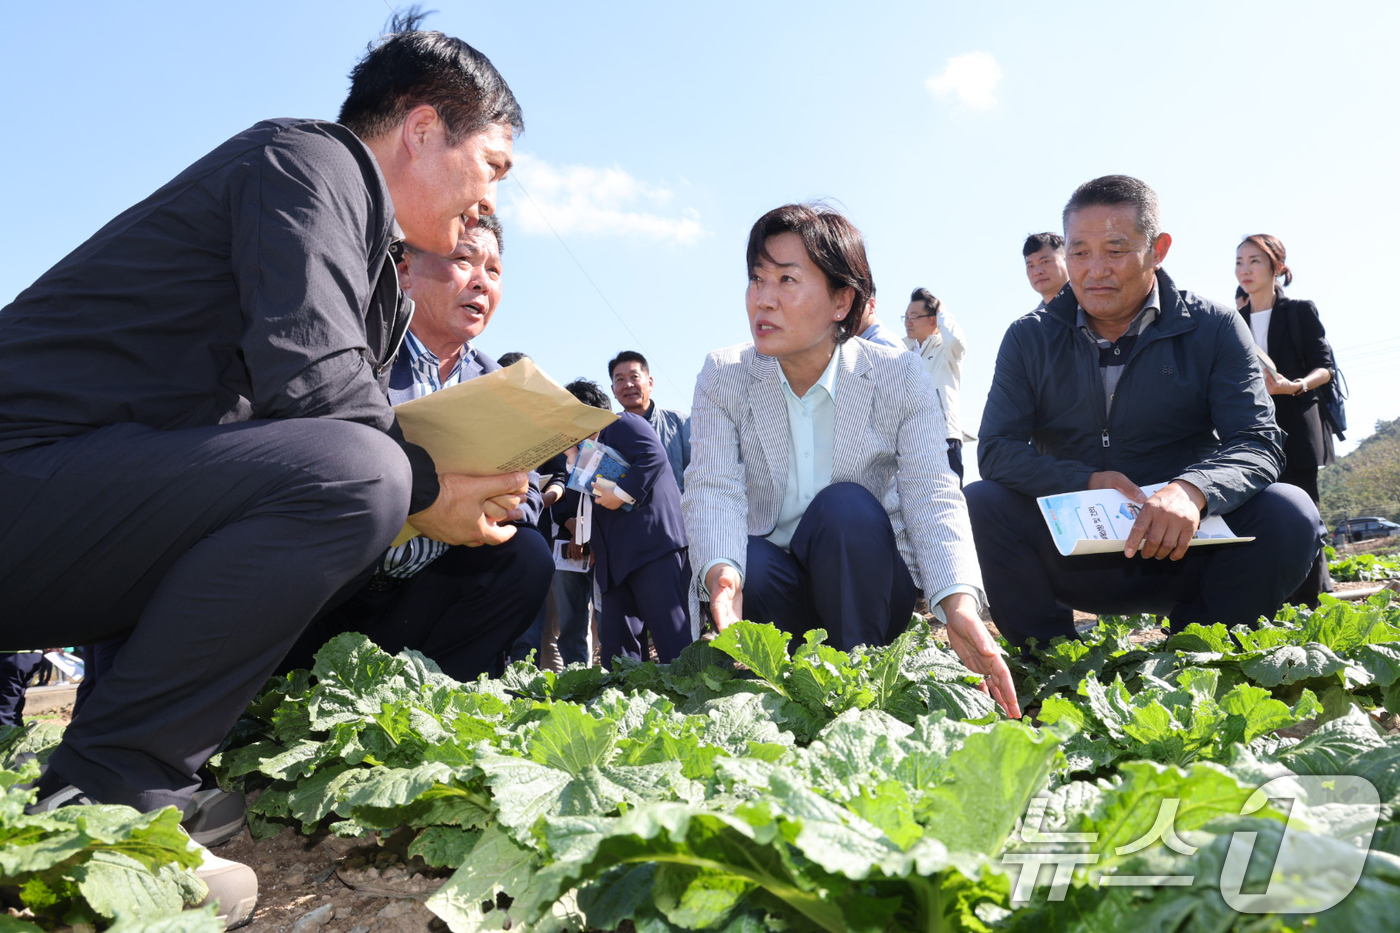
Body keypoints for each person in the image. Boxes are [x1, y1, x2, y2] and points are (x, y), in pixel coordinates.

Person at [0, 14, 525, 924]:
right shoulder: (309, 162)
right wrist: (429, 490)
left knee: (358, 472)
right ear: (424, 128)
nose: (487, 203)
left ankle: (129, 763)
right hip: (24, 478)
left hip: (66, 505)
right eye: (492, 167)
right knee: (359, 473)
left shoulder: (370, 260)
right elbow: (318, 388)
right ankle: (110, 787)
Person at [683, 203, 1019, 719]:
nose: (763, 299)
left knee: (845, 507)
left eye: (787, 279)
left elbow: (932, 493)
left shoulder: (897, 375)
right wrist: (722, 579)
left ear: (842, 300)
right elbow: (713, 485)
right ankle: (783, 685)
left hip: (866, 585)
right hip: (774, 594)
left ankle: (860, 686)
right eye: (756, 279)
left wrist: (959, 606)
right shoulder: (724, 376)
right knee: (752, 558)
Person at [968, 175, 1323, 648]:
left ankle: (1200, 645)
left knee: (1291, 511)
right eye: (1079, 252)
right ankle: (1047, 659)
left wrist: (1193, 490)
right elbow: (996, 450)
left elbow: (1256, 441)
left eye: (1115, 250)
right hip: (1075, 555)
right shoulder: (1028, 338)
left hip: (1186, 550)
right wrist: (1088, 480)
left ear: (1158, 249)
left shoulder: (1214, 327)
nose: (1095, 270)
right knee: (982, 501)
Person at [282, 215, 554, 681]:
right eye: (463, 260)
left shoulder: (502, 386)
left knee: (526, 556)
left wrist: (507, 500)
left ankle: (434, 699)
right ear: (406, 271)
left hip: (424, 589)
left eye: (494, 271)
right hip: (330, 581)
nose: (480, 283)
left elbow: (527, 493)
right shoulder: (357, 352)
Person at [1236, 233, 1336, 605]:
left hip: (1297, 422)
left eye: (1254, 261)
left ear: (1277, 267)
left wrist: (1296, 386)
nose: (1244, 269)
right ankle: (1276, 599)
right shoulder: (1233, 321)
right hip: (1252, 432)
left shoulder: (1299, 311)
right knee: (1264, 515)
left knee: (1305, 513)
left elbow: (1324, 368)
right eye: (1239, 262)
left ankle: (1311, 600)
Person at [587, 392, 692, 666]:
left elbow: (653, 455)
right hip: (615, 559)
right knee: (618, 649)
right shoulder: (586, 449)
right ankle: (623, 705)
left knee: (671, 636)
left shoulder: (622, 422)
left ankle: (690, 702)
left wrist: (622, 493)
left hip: (652, 546)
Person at [902, 288, 972, 482]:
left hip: (944, 438)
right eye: (906, 317)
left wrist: (942, 311)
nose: (908, 322)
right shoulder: (900, 350)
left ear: (933, 319)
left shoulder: (947, 349)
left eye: (914, 316)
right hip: (910, 442)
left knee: (950, 501)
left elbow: (957, 340)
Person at [608, 351, 691, 492]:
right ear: (613, 390)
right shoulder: (609, 433)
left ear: (650, 383)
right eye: (620, 380)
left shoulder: (681, 423)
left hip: (681, 512)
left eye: (634, 377)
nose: (628, 384)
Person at [1023, 232, 1069, 308]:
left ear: (1067, 261)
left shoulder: (1092, 306)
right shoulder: (1033, 319)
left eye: (1045, 262)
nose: (1037, 272)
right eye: (1031, 266)